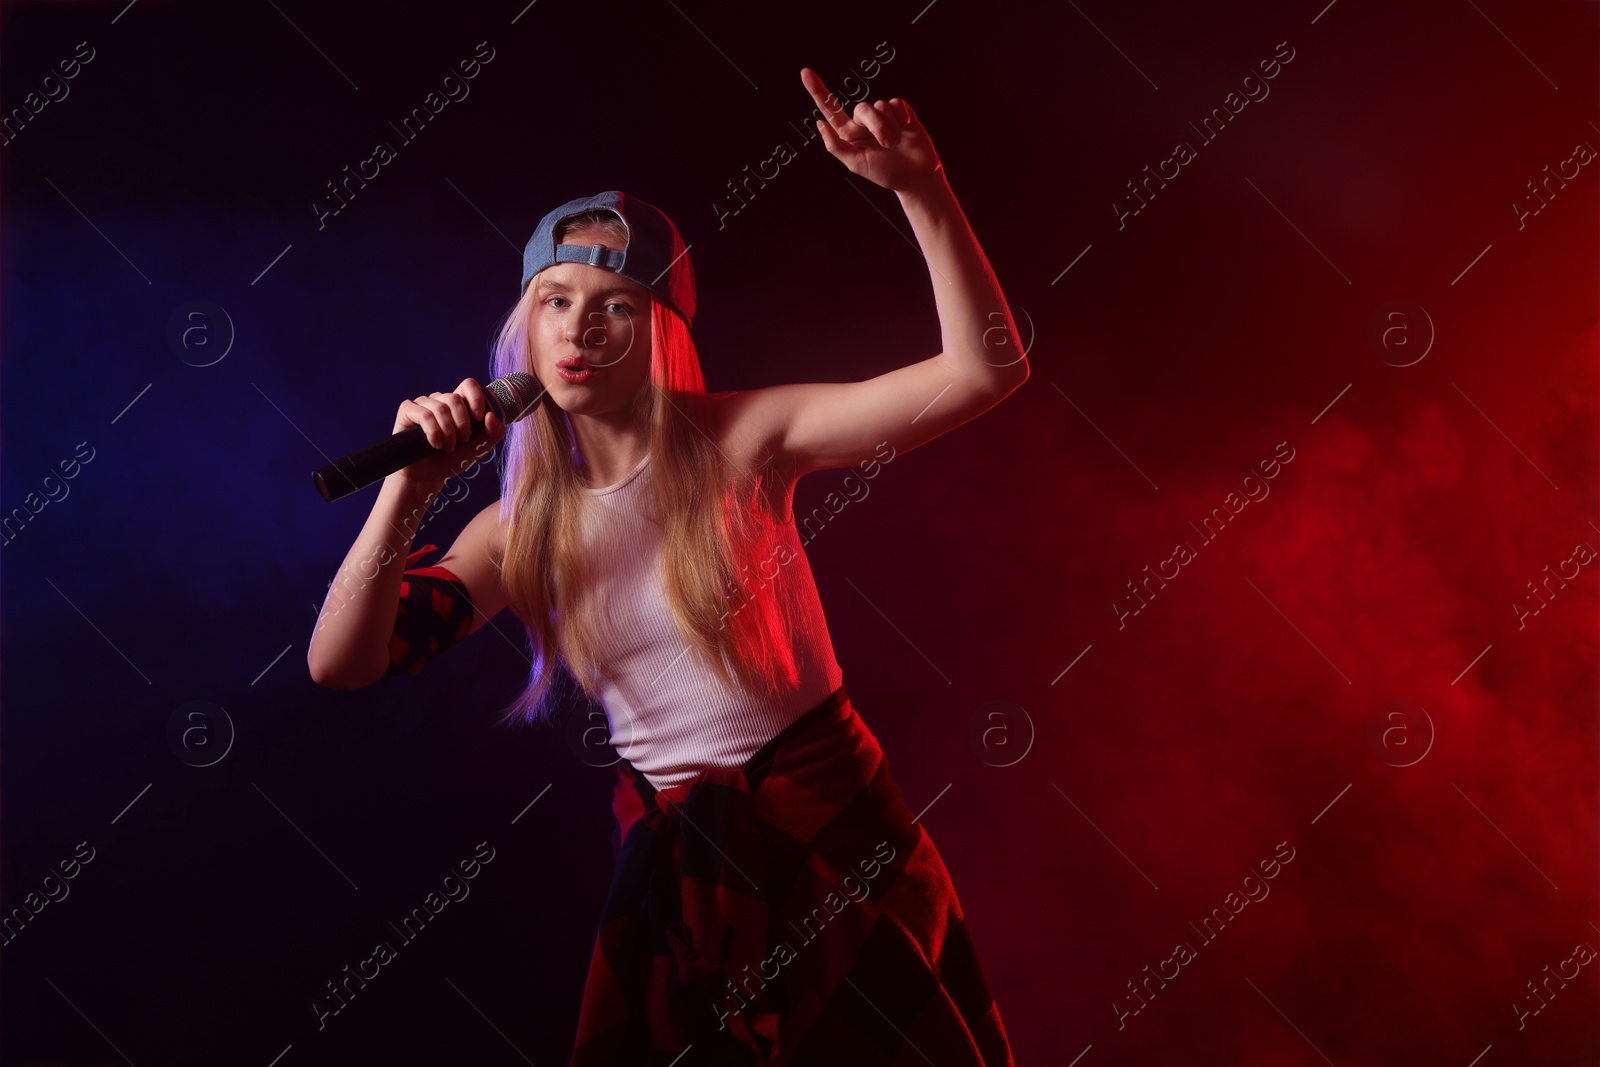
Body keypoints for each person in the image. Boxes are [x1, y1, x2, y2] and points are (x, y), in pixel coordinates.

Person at [308, 66, 1027, 1066]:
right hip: (675, 870)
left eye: (615, 304)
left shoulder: (745, 437)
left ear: (661, 334)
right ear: (526, 325)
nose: (580, 326)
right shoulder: (518, 531)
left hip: (828, 825)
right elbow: (342, 661)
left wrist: (921, 187)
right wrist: (408, 492)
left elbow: (984, 370)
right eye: (556, 299)